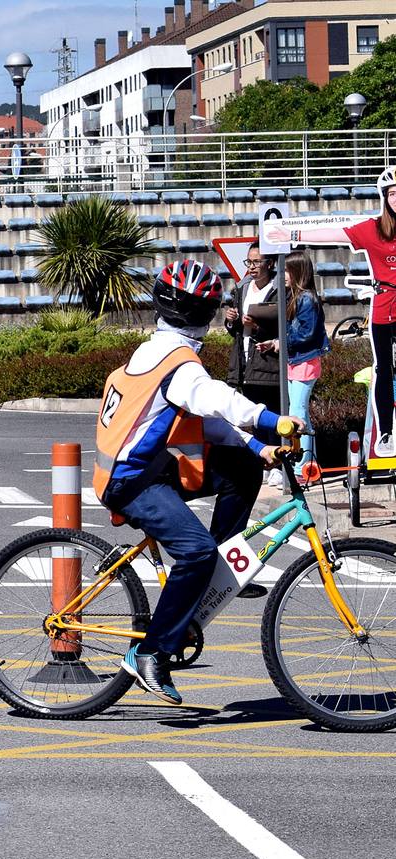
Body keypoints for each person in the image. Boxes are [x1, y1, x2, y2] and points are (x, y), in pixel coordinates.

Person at [94, 260, 303, 705]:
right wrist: (271, 419)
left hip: (149, 469)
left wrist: (256, 447)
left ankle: (214, 570)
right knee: (195, 552)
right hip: (132, 481)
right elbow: (216, 399)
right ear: (203, 314)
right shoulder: (179, 364)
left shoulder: (158, 350)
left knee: (243, 470)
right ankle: (150, 652)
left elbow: (206, 420)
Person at [267, 165, 396, 454]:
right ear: (384, 197)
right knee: (384, 370)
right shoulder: (374, 228)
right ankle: (386, 432)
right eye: (392, 194)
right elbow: (335, 232)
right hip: (385, 307)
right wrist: (294, 232)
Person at [253, 250, 330, 482]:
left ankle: (302, 466)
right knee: (300, 412)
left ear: (298, 272)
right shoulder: (293, 297)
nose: (282, 275)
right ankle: (308, 462)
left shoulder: (306, 299)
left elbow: (304, 334)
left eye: (287, 270)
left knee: (297, 413)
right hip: (296, 361)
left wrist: (280, 343)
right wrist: (276, 343)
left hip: (304, 362)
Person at [219, 242, 281, 412]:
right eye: (248, 262)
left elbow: (283, 328)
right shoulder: (242, 287)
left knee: (273, 422)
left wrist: (256, 328)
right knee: (254, 421)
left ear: (269, 263)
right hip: (244, 364)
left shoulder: (279, 289)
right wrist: (232, 320)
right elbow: (236, 331)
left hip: (268, 365)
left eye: (256, 262)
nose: (252, 267)